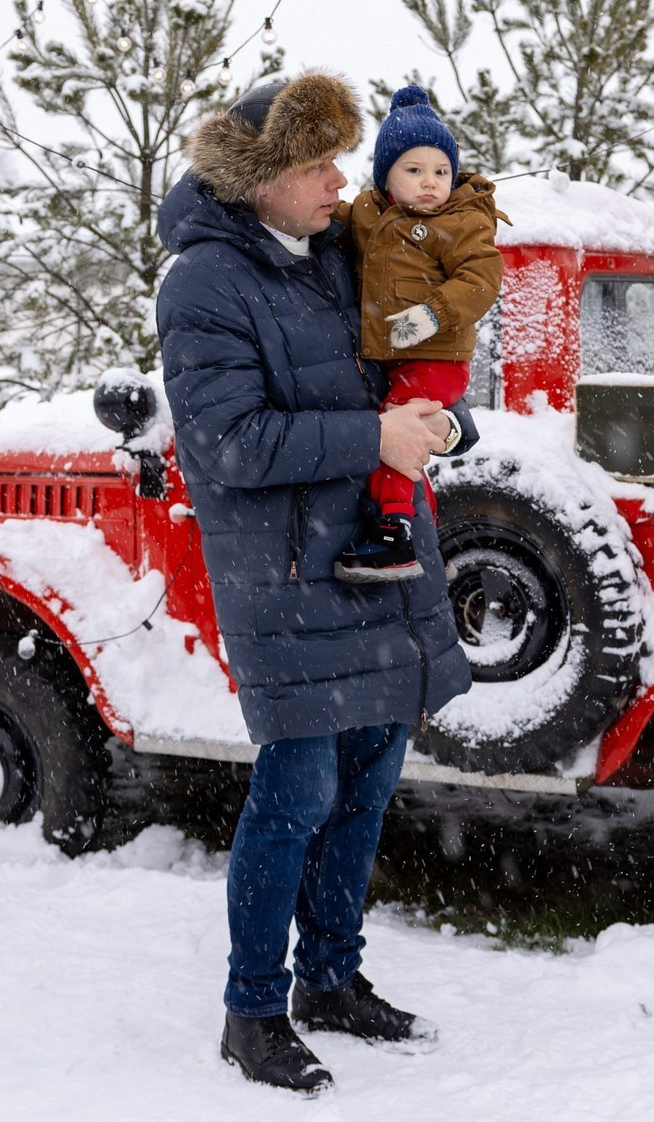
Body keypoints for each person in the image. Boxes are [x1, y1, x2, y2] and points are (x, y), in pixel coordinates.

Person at [155, 71, 475, 1096]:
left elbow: (419, 353)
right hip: (287, 574)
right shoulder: (203, 284)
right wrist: (371, 434)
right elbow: (229, 442)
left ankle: (330, 977)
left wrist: (444, 423)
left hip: (380, 555)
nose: (343, 177)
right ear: (261, 181)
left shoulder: (345, 250)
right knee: (295, 793)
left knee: (370, 781)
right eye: (318, 163)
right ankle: (252, 1009)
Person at [332, 85, 505, 583]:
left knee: (397, 428)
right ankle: (425, 536)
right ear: (386, 176)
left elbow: (481, 279)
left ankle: (393, 532)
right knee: (397, 431)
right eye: (414, 170)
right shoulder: (368, 213)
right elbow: (336, 221)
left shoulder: (460, 222)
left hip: (437, 357)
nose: (430, 183)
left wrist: (431, 315)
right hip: (392, 357)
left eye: (441, 171)